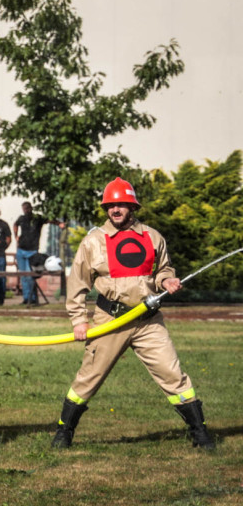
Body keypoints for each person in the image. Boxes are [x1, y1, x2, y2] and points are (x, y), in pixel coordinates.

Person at [51, 177, 214, 450]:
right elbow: (78, 283)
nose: (115, 210)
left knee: (173, 374)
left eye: (121, 205)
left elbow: (164, 269)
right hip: (109, 320)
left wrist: (167, 281)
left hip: (148, 321)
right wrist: (78, 320)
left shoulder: (153, 237)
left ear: (132, 206)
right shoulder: (93, 241)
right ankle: (63, 433)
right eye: (110, 205)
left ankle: (200, 433)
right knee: (89, 377)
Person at [14, 201, 47, 305]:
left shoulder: (37, 218)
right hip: (21, 250)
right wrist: (16, 236)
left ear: (31, 208)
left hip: (32, 250)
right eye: (24, 208)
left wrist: (59, 223)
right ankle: (26, 298)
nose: (26, 210)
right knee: (23, 275)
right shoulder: (21, 218)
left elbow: (50, 219)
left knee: (30, 275)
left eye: (27, 208)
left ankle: (33, 298)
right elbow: (15, 224)